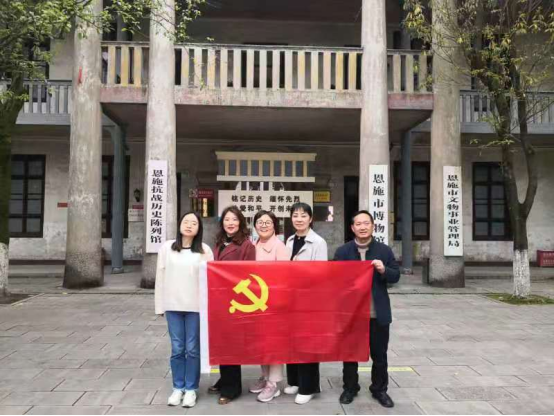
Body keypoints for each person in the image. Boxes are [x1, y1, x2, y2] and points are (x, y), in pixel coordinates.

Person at [334, 210, 400, 409]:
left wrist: (383, 270)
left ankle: (379, 389)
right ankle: (350, 388)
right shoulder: (343, 251)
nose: (362, 227)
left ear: (373, 226)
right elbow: (335, 280)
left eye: (366, 223)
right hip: (352, 313)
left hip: (377, 313)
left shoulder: (384, 251)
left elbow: (395, 276)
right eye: (358, 224)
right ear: (352, 228)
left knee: (379, 355)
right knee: (350, 354)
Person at [155, 212, 214, 409]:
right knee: (177, 348)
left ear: (199, 229)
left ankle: (191, 389)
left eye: (194, 223)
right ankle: (177, 387)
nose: (189, 225)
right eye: (186, 222)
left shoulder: (204, 250)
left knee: (192, 349)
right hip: (173, 306)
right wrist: (159, 305)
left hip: (196, 307)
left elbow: (211, 280)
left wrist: (210, 307)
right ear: (179, 225)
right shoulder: (167, 248)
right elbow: (160, 277)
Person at [208, 206, 257, 405]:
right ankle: (224, 378)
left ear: (241, 223)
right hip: (219, 300)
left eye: (234, 220)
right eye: (227, 219)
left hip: (236, 302)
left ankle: (232, 388)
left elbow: (249, 275)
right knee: (221, 341)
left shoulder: (246, 245)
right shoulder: (219, 242)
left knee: (232, 345)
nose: (230, 223)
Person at [284, 202, 328, 405]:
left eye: (303, 215)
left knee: (307, 343)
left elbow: (320, 274)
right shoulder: (290, 240)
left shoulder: (318, 242)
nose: (299, 219)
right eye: (295, 215)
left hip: (309, 301)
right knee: (291, 342)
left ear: (310, 219)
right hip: (290, 299)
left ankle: (308, 387)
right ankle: (294, 381)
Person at [249, 210, 291, 403]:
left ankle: (273, 384)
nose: (263, 225)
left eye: (268, 222)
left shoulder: (280, 247)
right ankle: (265, 376)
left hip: (274, 304)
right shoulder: (252, 245)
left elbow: (284, 277)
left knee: (273, 344)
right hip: (256, 302)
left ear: (275, 225)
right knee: (261, 342)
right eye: (260, 222)